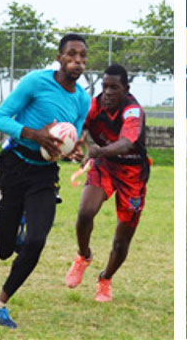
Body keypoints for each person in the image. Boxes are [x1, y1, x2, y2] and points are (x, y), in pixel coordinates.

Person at [0, 33, 90, 329]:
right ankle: (17, 220)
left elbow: (71, 138)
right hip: (13, 166)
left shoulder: (82, 99)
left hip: (44, 176)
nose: (77, 61)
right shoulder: (35, 82)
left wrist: (71, 152)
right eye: (71, 55)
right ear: (59, 58)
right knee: (5, 250)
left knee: (36, 241)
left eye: (82, 56)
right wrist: (35, 134)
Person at [64, 64, 150, 303]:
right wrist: (75, 139)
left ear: (126, 89)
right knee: (85, 211)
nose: (108, 92)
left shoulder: (132, 110)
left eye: (114, 87)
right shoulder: (95, 104)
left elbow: (125, 143)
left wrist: (98, 151)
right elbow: (79, 125)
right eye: (105, 87)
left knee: (122, 242)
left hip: (132, 175)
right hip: (105, 167)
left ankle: (105, 279)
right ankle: (83, 256)